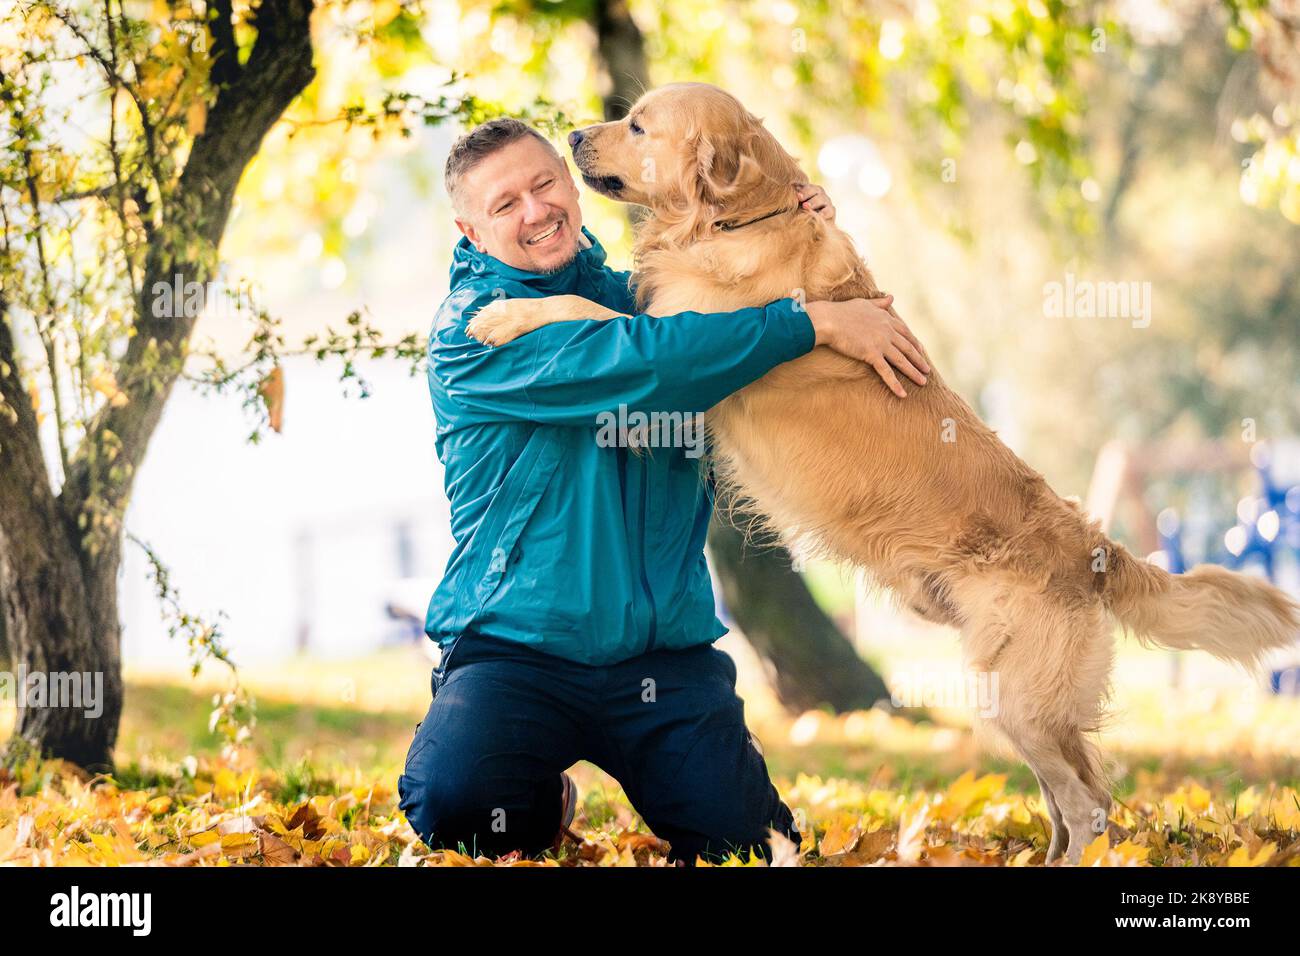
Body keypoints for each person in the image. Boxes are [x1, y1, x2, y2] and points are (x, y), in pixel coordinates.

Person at [397, 117, 931, 865]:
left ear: (569, 183)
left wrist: (790, 231)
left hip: (659, 659)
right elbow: (649, 362)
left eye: (545, 184)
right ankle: (538, 797)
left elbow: (717, 313)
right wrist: (809, 323)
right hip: (516, 653)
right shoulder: (476, 331)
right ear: (471, 229)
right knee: (458, 806)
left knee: (751, 847)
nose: (535, 210)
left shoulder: (641, 292)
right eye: (505, 203)